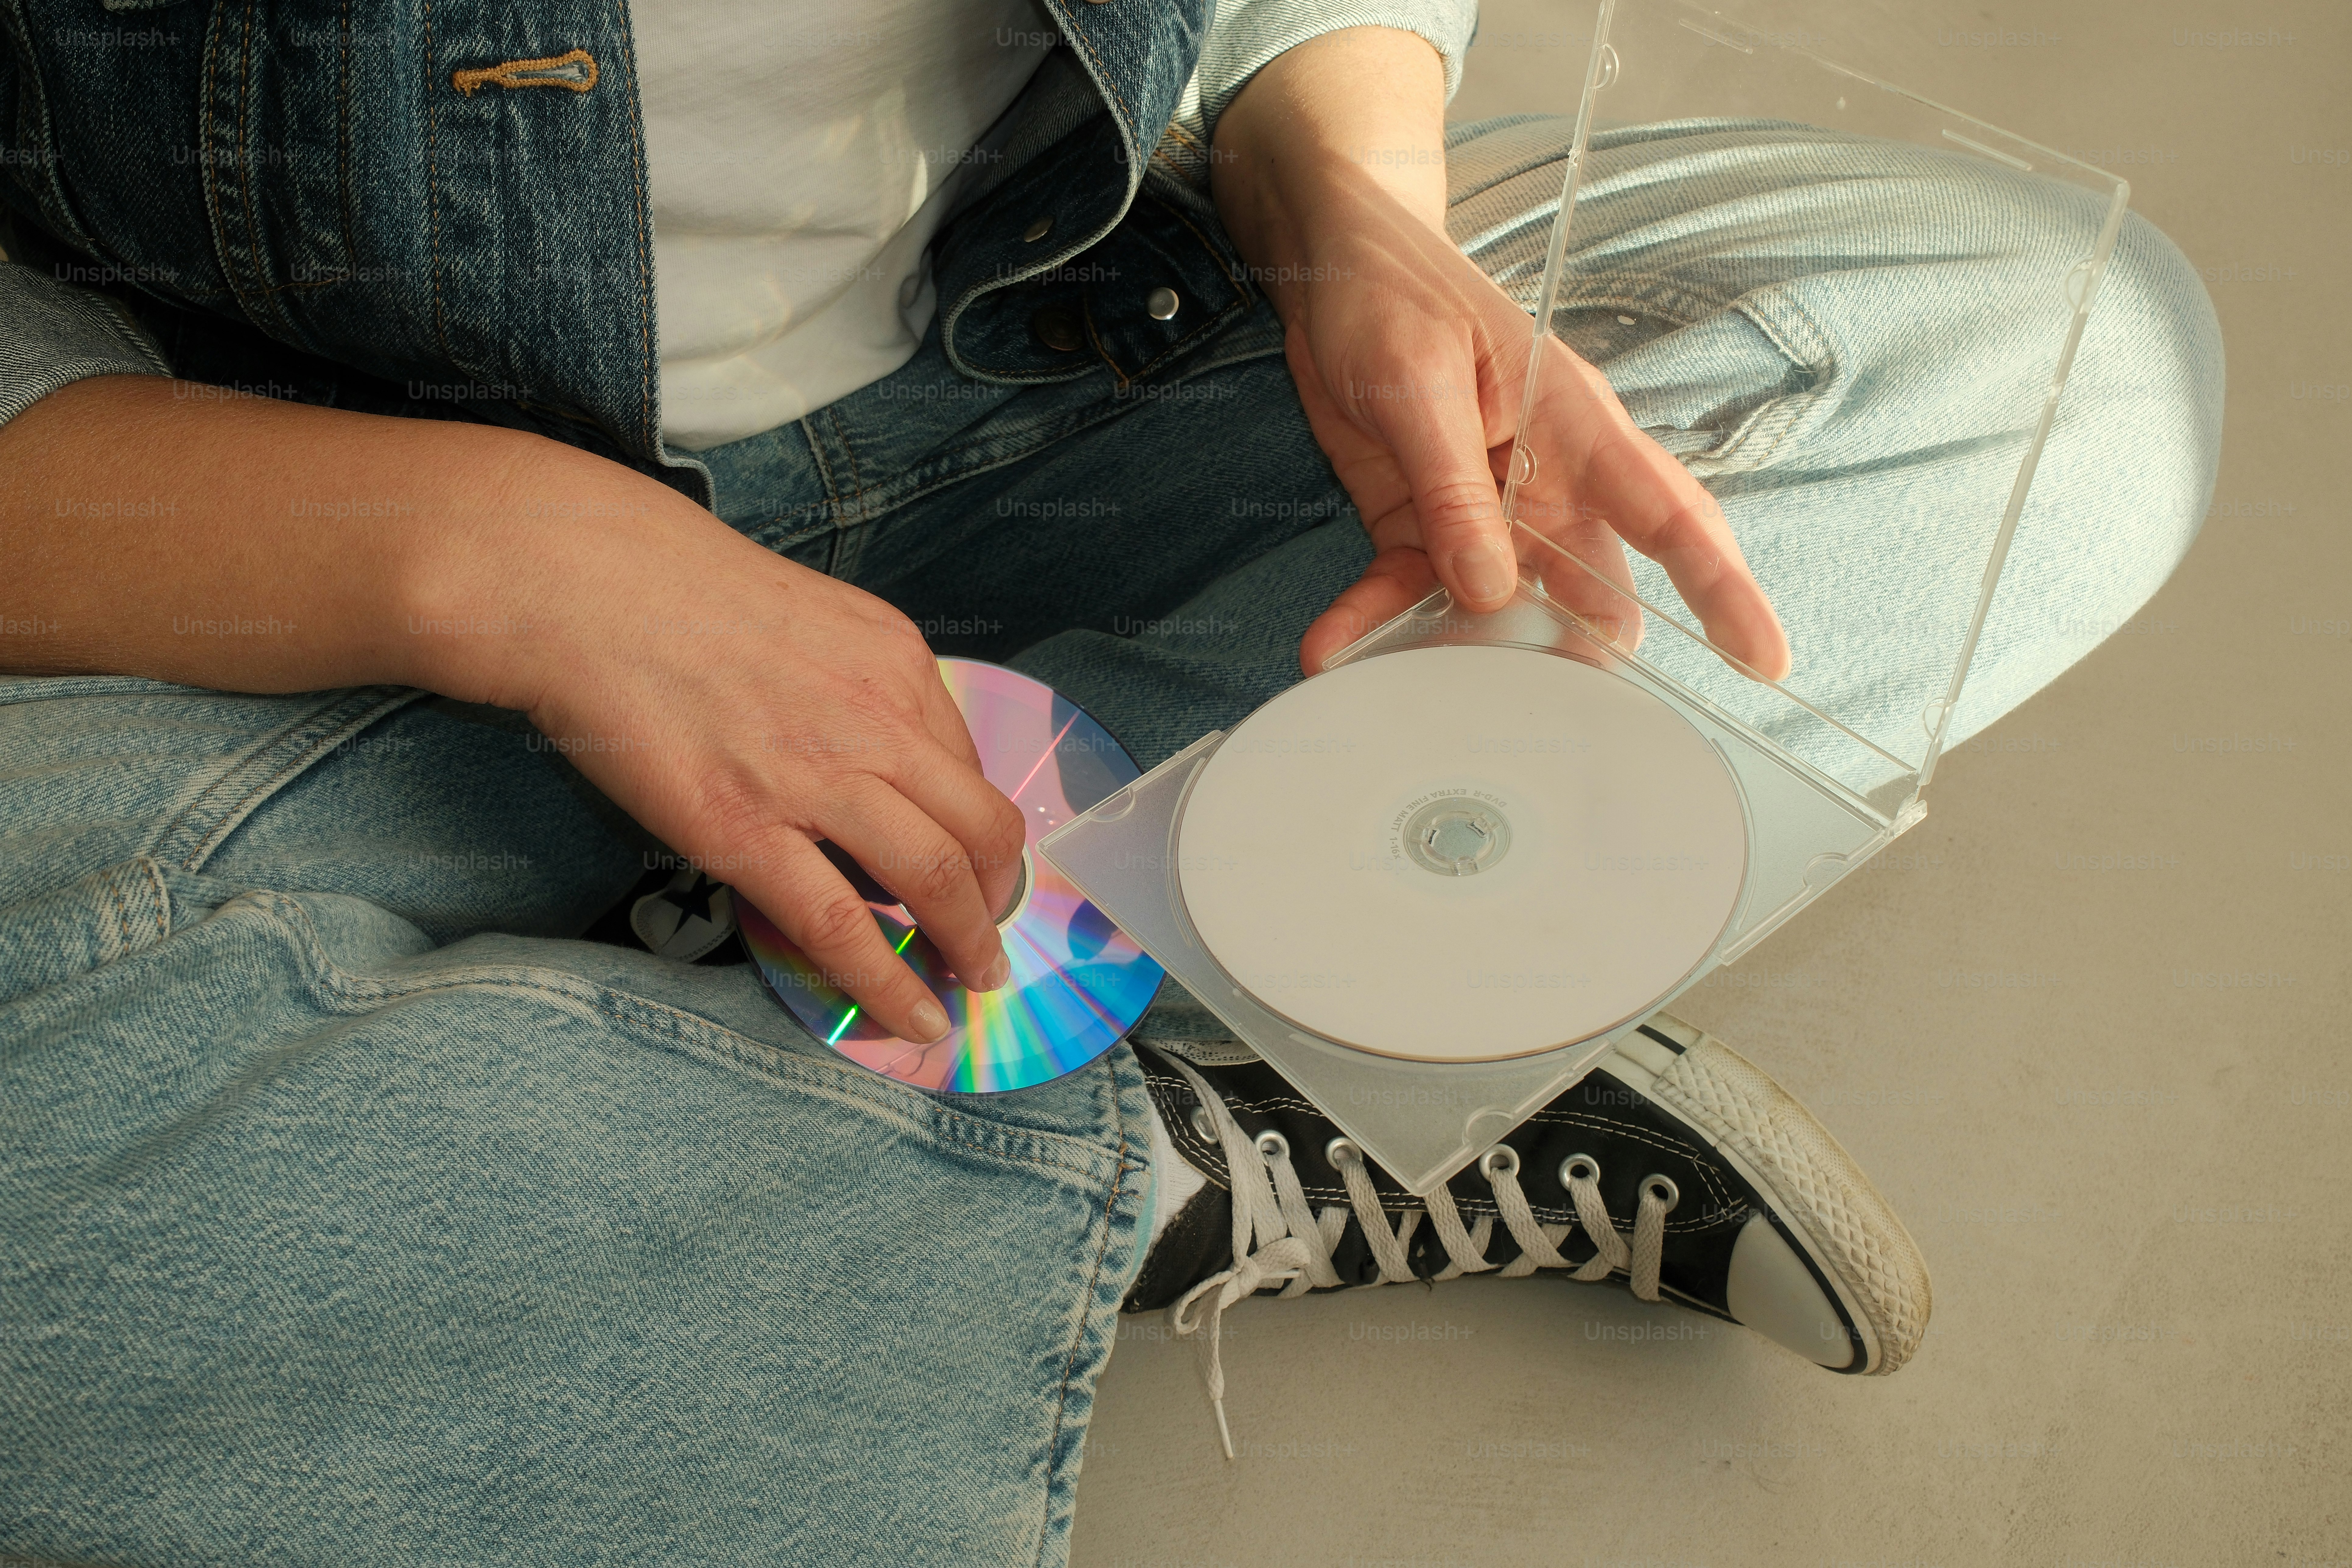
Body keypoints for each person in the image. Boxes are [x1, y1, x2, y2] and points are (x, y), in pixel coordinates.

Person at [0, 0, 2219, 1559]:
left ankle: (645, 1058)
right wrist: (505, 558)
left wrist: (1350, 207)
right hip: (260, 566)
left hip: (1058, 382)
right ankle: (1199, 1095)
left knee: (2069, 364)